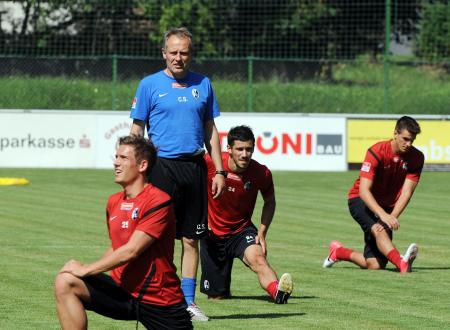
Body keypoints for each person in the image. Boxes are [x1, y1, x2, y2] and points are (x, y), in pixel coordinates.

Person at [129, 27, 225, 321]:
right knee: (155, 237)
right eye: (174, 52)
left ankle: (187, 302)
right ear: (164, 53)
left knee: (191, 239)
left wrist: (219, 170)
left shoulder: (203, 84)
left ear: (190, 53)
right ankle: (155, 297)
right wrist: (135, 169)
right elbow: (136, 131)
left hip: (194, 168)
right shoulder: (149, 85)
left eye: (184, 52)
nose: (179, 58)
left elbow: (210, 130)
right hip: (161, 168)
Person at [54, 135, 192, 330]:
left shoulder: (159, 201)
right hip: (123, 292)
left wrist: (86, 269)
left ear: (143, 165)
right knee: (66, 281)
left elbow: (131, 250)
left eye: (123, 158)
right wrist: (86, 272)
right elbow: (117, 247)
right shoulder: (113, 201)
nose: (115, 163)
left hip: (160, 299)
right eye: (116, 157)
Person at [200, 125, 293, 303]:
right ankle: (219, 289)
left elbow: (270, 201)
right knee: (217, 296)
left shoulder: (261, 173)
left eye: (249, 149)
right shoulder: (210, 163)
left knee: (258, 259)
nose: (245, 154)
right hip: (213, 235)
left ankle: (278, 293)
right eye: (240, 149)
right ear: (229, 149)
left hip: (242, 231)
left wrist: (262, 232)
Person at [323, 116, 424, 273]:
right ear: (395, 133)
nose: (408, 144)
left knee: (375, 264)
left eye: (412, 140)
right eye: (405, 139)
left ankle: (338, 252)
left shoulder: (417, 158)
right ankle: (401, 263)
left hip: (385, 207)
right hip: (360, 200)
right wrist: (383, 216)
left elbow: (407, 192)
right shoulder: (377, 151)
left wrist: (391, 218)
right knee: (379, 230)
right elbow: (364, 190)